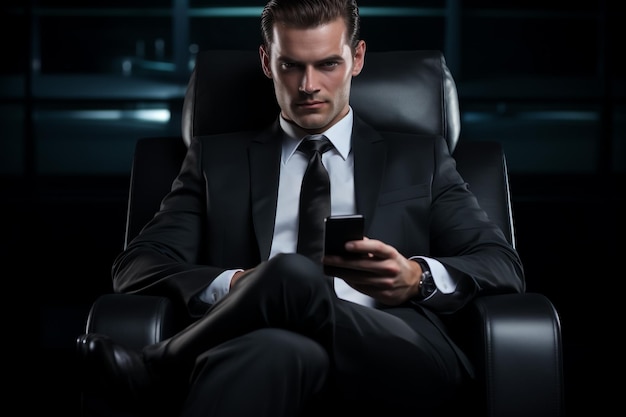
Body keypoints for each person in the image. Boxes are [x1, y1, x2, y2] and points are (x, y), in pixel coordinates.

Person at [77, 0, 525, 416]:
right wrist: (234, 284)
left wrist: (416, 278)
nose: (308, 86)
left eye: (328, 64)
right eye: (291, 65)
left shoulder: (421, 157)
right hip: (264, 342)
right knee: (274, 345)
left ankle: (157, 367)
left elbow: (501, 264)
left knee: (289, 274)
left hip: (401, 347)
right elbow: (136, 264)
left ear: (357, 58)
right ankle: (245, 314)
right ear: (267, 63)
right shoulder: (216, 161)